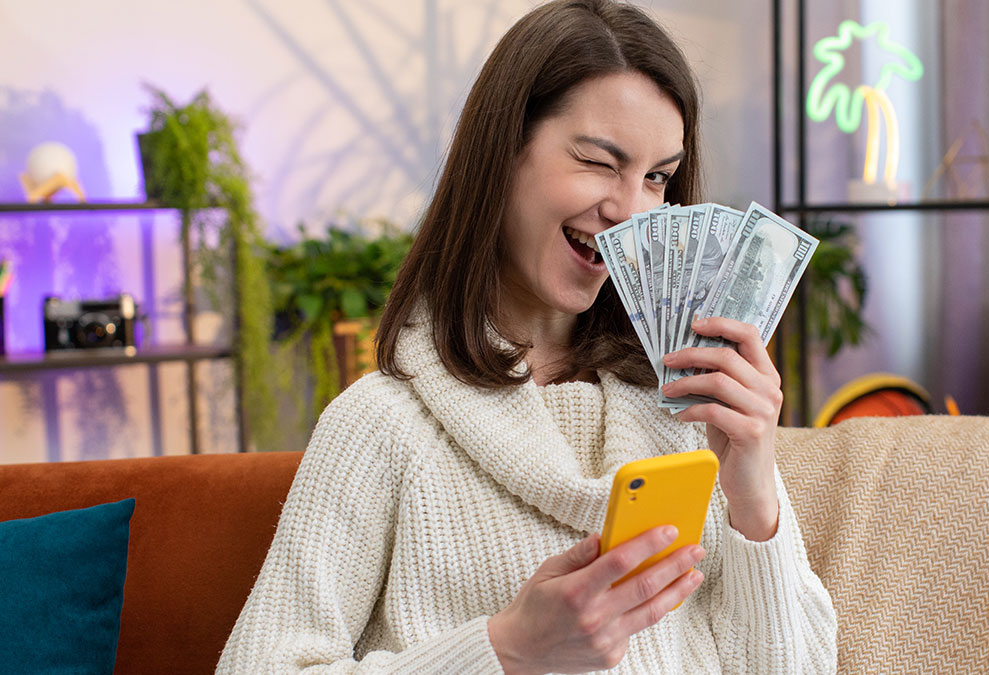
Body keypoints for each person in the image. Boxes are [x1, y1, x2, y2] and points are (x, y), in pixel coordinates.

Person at [216, 0, 837, 672]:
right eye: (600, 162)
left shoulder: (691, 414)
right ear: (503, 152)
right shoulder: (382, 425)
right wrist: (505, 651)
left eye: (657, 177)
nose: (631, 210)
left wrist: (753, 495)